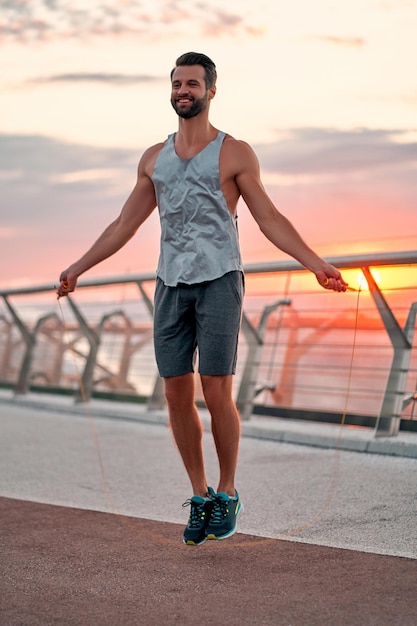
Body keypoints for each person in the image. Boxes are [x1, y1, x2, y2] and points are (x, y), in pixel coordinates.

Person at [58, 51, 348, 546]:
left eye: (192, 83)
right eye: (177, 83)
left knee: (216, 388)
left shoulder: (234, 153)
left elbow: (270, 218)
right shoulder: (154, 158)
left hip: (219, 279)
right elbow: (124, 224)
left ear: (211, 91)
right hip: (170, 283)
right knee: (175, 393)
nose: (183, 91)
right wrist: (78, 268)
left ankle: (228, 492)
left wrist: (314, 263)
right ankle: (199, 494)